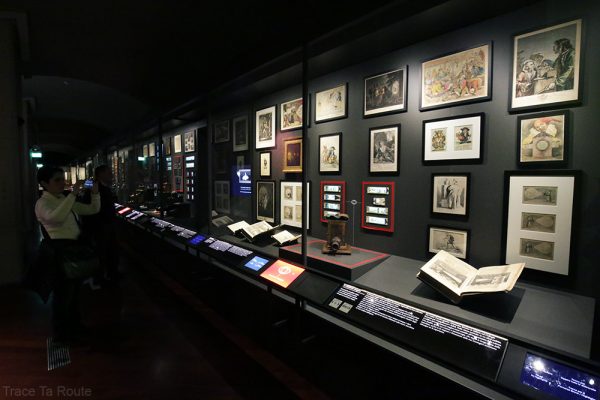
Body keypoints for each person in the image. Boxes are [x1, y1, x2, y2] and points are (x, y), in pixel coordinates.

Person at [35, 166, 100, 343]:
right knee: (63, 295)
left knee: (74, 293)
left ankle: (75, 327)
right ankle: (62, 334)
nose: (62, 183)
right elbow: (55, 218)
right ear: (44, 183)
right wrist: (72, 195)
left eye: (62, 179)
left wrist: (95, 194)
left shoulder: (63, 199)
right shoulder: (42, 203)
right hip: (59, 254)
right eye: (57, 180)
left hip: (71, 252)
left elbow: (92, 209)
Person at [83, 165, 120, 286]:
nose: (111, 175)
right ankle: (101, 277)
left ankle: (110, 274)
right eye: (109, 173)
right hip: (101, 226)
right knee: (102, 252)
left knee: (109, 250)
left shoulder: (97, 186)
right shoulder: (95, 188)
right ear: (101, 174)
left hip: (106, 225)